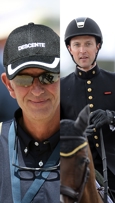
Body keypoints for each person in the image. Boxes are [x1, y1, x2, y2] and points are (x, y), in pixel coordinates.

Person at [60, 17, 115, 202]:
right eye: (76, 45)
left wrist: (113, 118)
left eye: (88, 44)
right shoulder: (61, 87)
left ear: (98, 46)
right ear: (70, 49)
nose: (82, 50)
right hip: (75, 167)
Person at [0, 23, 60, 202]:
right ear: (9, 85)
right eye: (24, 79)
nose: (37, 90)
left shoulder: (90, 143)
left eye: (48, 76)